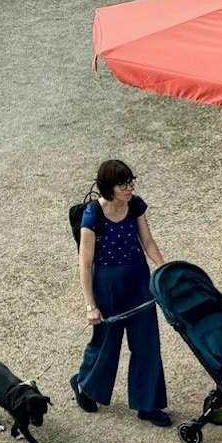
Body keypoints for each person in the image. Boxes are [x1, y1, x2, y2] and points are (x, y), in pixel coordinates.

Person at [72, 159, 168, 425]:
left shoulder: (135, 205)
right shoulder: (93, 214)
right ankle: (84, 386)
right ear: (109, 187)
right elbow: (85, 262)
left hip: (138, 279)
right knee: (106, 343)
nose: (129, 188)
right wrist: (90, 305)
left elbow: (147, 241)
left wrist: (164, 270)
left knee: (146, 341)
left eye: (130, 182)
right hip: (107, 283)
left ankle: (148, 404)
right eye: (123, 184)